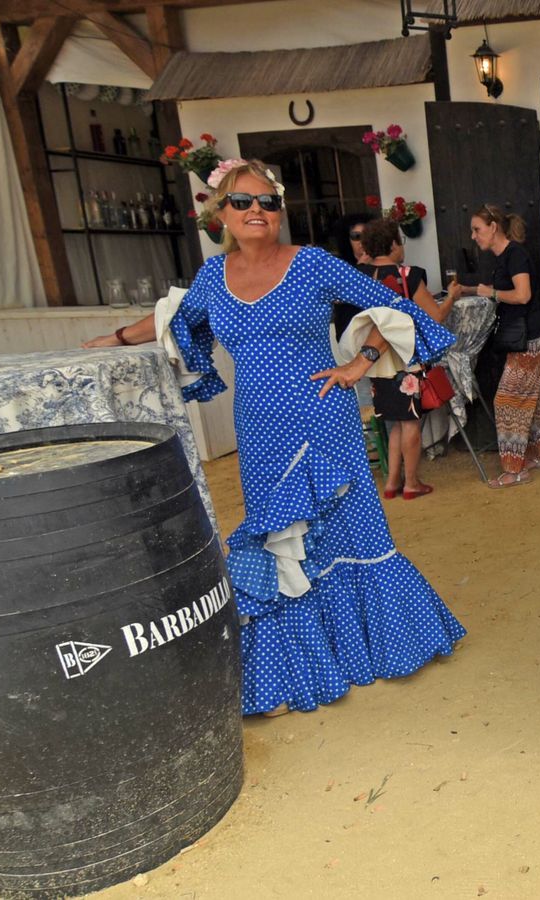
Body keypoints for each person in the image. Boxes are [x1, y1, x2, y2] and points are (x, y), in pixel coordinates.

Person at [81, 159, 466, 716]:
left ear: (279, 211)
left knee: (351, 527)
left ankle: (382, 645)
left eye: (266, 201)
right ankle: (303, 663)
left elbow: (397, 307)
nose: (256, 210)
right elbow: (173, 321)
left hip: (322, 416)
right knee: (277, 537)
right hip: (260, 428)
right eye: (242, 202)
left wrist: (360, 363)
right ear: (222, 216)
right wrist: (115, 337)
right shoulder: (213, 278)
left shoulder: (311, 264)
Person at [333, 217, 460, 500]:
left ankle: (392, 482)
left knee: (393, 422)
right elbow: (435, 316)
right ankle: (411, 482)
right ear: (392, 244)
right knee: (411, 423)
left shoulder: (359, 275)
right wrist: (451, 296)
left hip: (374, 361)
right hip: (405, 359)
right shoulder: (407, 274)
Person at [469, 203, 540, 488]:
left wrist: (491, 293)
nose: (473, 236)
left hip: (528, 338)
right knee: (530, 397)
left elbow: (523, 295)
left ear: (493, 227)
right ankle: (536, 455)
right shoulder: (506, 256)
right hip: (528, 336)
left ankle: (515, 470)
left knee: (506, 401)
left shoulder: (514, 255)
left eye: (477, 229)